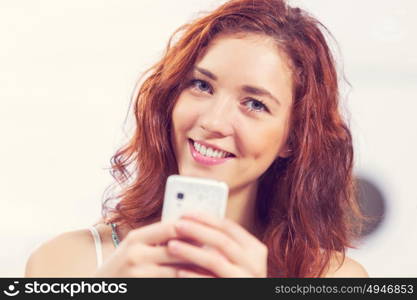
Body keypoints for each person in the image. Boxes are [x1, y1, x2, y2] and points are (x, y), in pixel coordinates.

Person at [25, 0, 369, 277]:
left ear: (291, 139)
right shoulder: (65, 263)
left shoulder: (335, 279)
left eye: (254, 104)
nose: (214, 121)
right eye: (201, 85)